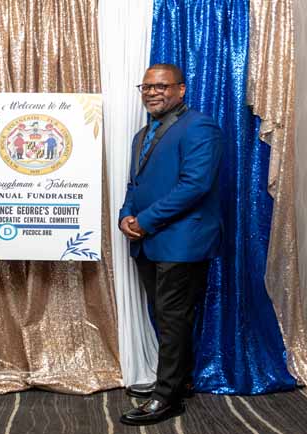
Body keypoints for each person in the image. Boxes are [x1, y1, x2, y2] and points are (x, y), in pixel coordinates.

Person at [118, 64, 223, 425]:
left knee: (173, 318)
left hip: (183, 240)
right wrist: (125, 216)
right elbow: (136, 185)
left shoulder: (200, 127)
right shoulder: (141, 134)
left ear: (180, 90)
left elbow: (195, 186)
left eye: (161, 86)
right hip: (150, 240)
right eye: (146, 87)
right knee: (166, 317)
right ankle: (178, 383)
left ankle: (167, 398)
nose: (152, 92)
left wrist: (144, 222)